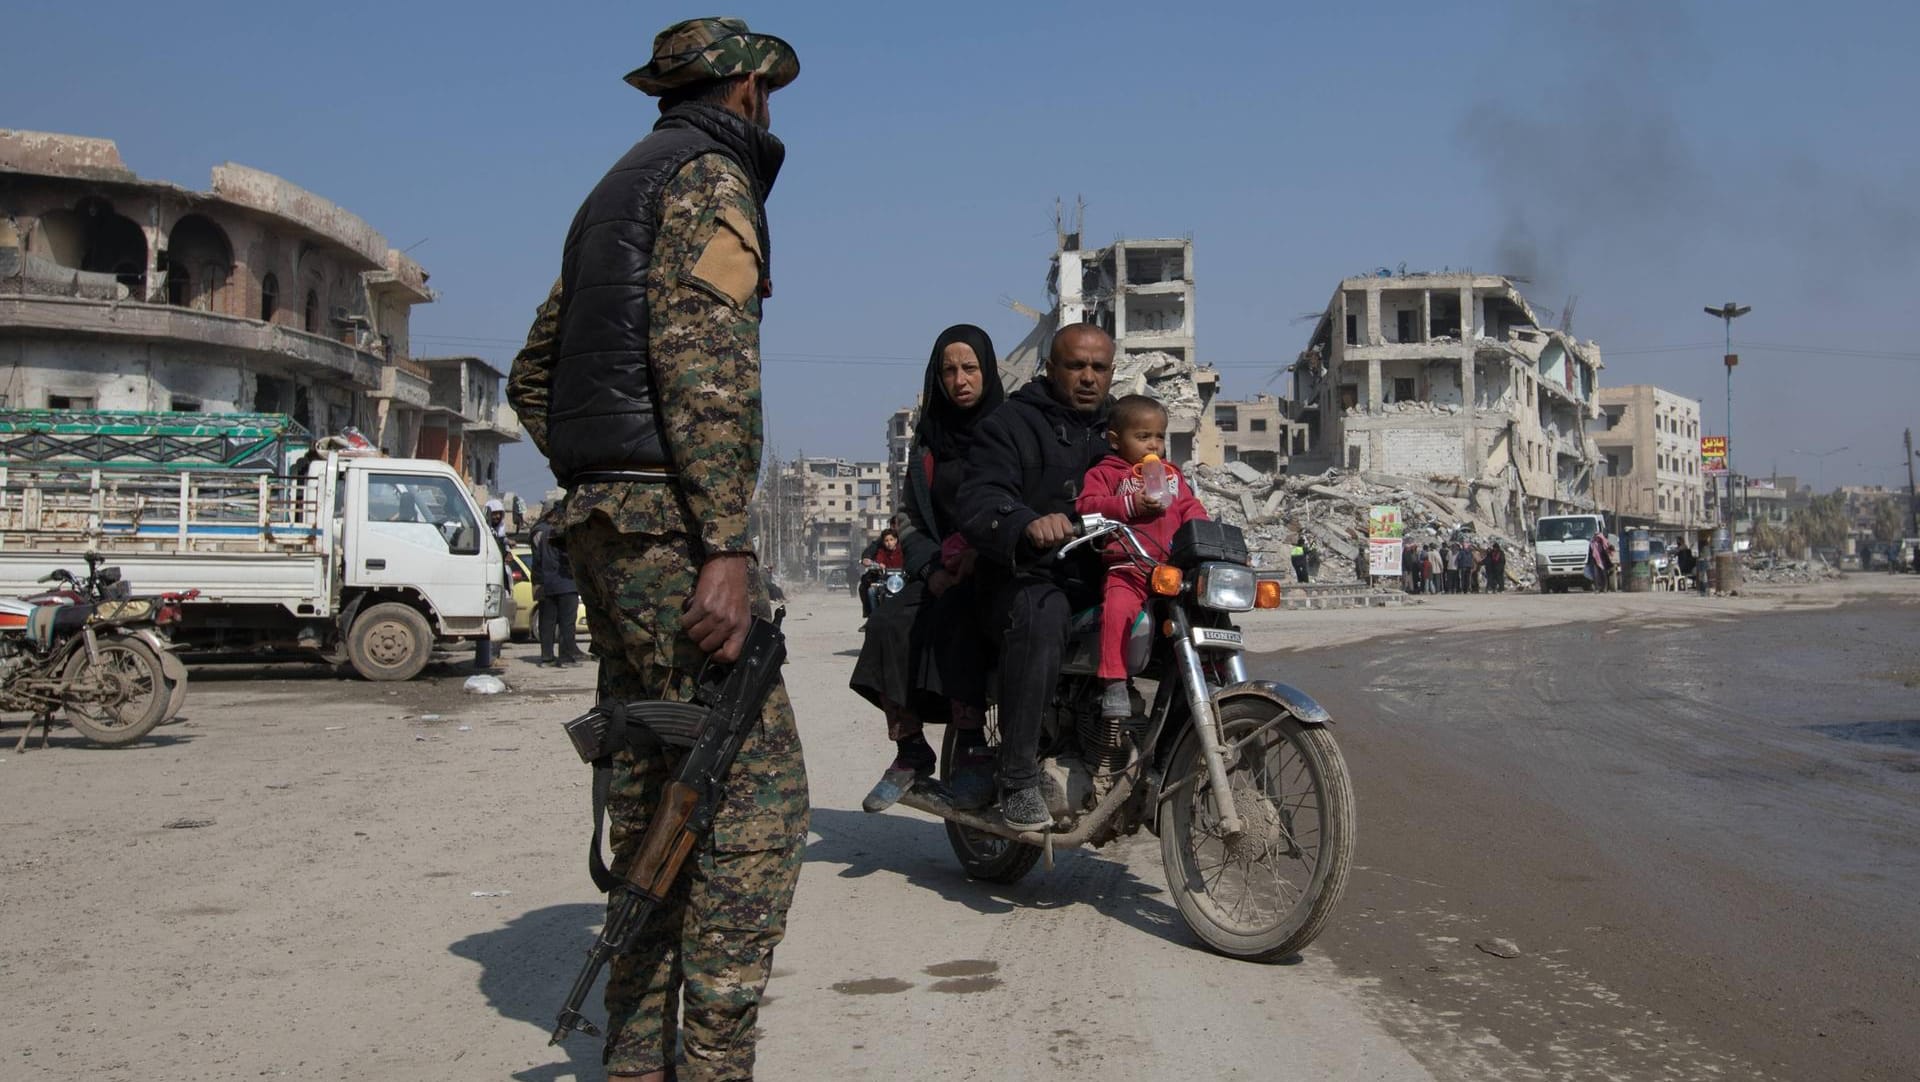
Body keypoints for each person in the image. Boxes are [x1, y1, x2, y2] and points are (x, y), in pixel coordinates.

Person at [502, 18, 805, 1082]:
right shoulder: (710, 175)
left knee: (656, 790)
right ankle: (712, 1061)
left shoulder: (612, 190)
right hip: (671, 533)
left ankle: (634, 1057)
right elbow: (704, 361)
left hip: (605, 524)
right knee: (756, 803)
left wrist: (594, 477)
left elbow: (532, 374)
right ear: (749, 92)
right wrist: (721, 539)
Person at [956, 323, 1117, 832]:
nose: (1089, 377)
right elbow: (980, 497)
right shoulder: (1010, 424)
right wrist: (1025, 522)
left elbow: (1164, 485)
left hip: (1101, 578)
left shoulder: (1125, 428)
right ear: (1051, 369)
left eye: (1099, 367)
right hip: (1023, 576)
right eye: (1076, 366)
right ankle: (1018, 777)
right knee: (1042, 612)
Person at [851, 324, 1004, 811]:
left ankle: (973, 745)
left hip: (996, 564)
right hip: (940, 566)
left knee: (962, 617)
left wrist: (982, 553)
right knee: (887, 622)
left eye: (970, 368)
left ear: (988, 370)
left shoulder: (1008, 429)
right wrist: (931, 569)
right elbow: (909, 517)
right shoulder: (926, 445)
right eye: (949, 370)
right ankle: (911, 749)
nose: (960, 380)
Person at [1076, 395, 1209, 724]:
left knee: (1201, 613)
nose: (1154, 444)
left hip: (1171, 571)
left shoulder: (1171, 474)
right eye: (1143, 436)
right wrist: (1130, 505)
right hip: (1128, 567)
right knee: (1117, 610)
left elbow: (1190, 507)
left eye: (1160, 436)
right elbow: (1087, 506)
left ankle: (1209, 675)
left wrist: (1206, 532)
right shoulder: (1106, 473)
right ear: (1115, 440)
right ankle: (1114, 682)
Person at [530, 510, 584, 667]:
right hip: (566, 584)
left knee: (547, 623)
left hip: (548, 584)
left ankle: (547, 657)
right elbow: (570, 557)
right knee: (567, 623)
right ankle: (565, 657)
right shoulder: (564, 533)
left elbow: (537, 561)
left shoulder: (542, 534)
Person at [857, 527, 904, 622]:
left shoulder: (903, 550)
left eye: (891, 540)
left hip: (902, 582)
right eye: (886, 540)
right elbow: (877, 560)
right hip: (886, 582)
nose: (889, 542)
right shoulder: (881, 551)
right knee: (871, 591)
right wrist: (877, 565)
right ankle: (874, 618)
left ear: (896, 540)